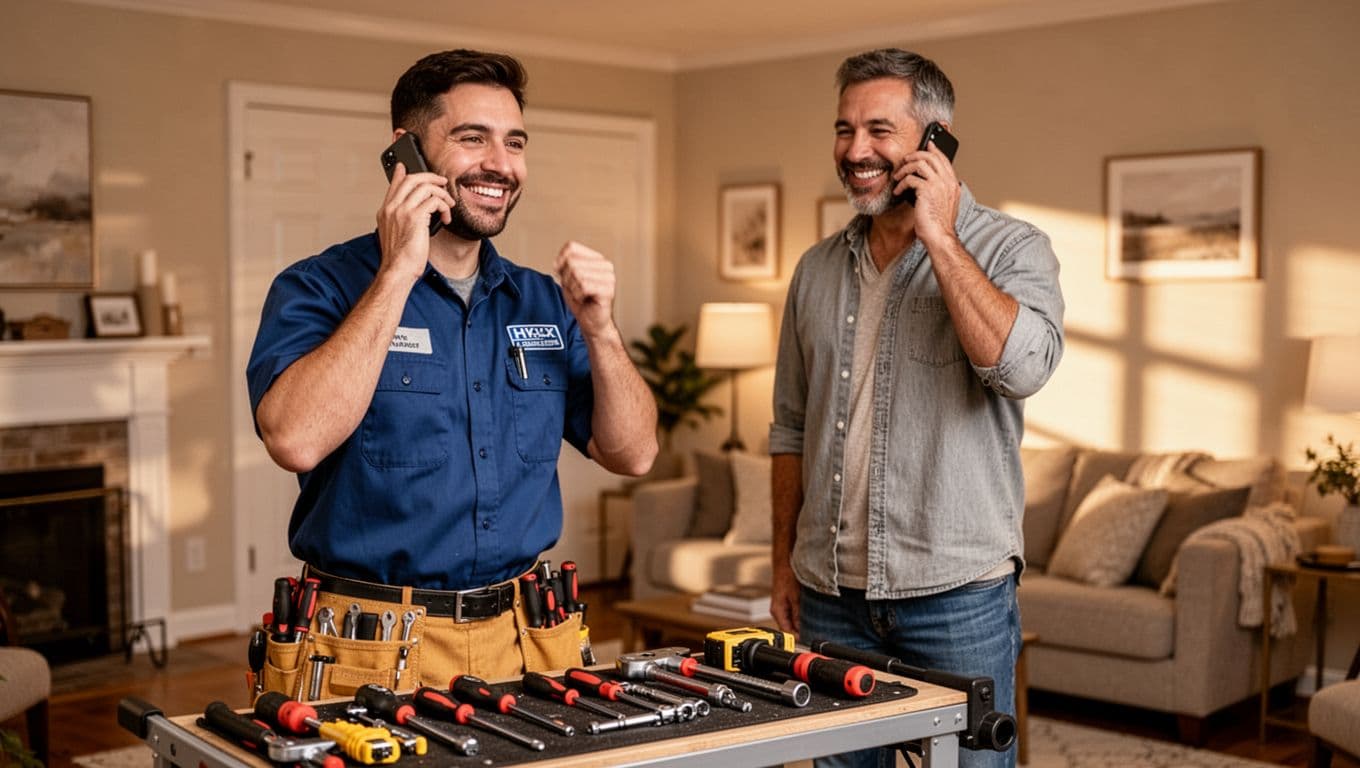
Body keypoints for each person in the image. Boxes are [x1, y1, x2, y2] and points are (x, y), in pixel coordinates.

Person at [246, 49, 657, 691]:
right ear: (405, 153)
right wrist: (398, 272)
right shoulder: (318, 288)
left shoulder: (544, 302)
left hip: (530, 640)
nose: (501, 164)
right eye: (472, 138)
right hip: (366, 648)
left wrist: (601, 328)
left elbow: (633, 453)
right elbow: (294, 438)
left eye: (514, 142)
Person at [768, 48, 1064, 768]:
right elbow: (790, 428)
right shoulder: (815, 269)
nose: (855, 151)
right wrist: (782, 565)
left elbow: (1022, 369)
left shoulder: (1013, 248)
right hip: (830, 593)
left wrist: (940, 236)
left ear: (937, 140)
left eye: (879, 130)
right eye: (844, 130)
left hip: (955, 596)